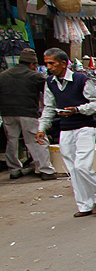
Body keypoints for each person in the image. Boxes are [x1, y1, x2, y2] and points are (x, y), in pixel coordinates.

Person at [36, 48, 96, 216]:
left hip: (85, 126)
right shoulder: (50, 82)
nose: (49, 67)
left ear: (63, 63)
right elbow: (48, 107)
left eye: (52, 63)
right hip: (65, 128)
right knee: (73, 169)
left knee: (81, 166)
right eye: (47, 63)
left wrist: (77, 109)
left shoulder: (81, 79)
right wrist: (42, 128)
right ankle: (85, 205)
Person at [1, 48, 56, 180]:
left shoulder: (3, 75)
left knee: (12, 141)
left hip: (7, 113)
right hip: (27, 113)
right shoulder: (34, 76)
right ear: (32, 64)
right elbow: (48, 94)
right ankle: (45, 170)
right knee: (35, 139)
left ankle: (14, 170)